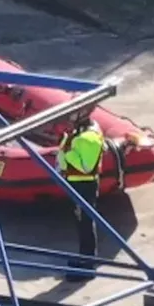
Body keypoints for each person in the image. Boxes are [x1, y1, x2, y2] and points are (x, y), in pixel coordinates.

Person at [57, 107, 105, 281]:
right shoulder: (81, 133)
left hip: (84, 184)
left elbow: (86, 167)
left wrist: (68, 153)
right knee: (81, 223)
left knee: (85, 223)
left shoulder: (88, 138)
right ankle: (84, 258)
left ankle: (88, 265)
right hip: (76, 183)